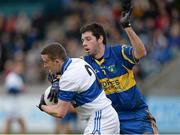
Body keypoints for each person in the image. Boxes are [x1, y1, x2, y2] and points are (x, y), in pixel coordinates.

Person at [79, 3, 158, 134]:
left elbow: (141, 53)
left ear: (100, 39)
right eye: (82, 40)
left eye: (88, 39)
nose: (84, 43)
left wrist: (127, 27)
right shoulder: (83, 63)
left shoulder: (118, 52)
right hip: (109, 118)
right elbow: (65, 70)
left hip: (136, 116)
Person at [37, 42, 120, 134]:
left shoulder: (69, 77)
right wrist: (56, 82)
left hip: (100, 118)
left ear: (57, 61)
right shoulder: (77, 61)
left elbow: (60, 112)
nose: (44, 66)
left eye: (46, 62)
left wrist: (42, 106)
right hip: (106, 114)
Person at [4, 59, 26, 134]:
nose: (21, 69)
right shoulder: (11, 76)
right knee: (12, 124)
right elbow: (10, 90)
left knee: (15, 124)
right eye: (19, 67)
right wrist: (20, 90)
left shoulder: (18, 77)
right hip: (11, 104)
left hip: (16, 104)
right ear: (15, 67)